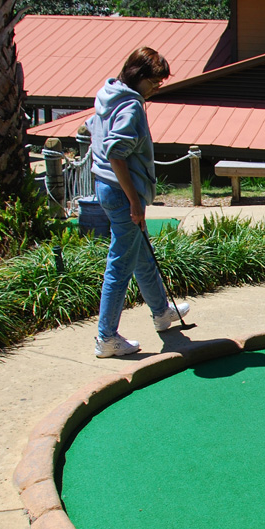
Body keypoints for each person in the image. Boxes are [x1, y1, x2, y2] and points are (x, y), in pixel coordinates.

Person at [89, 46, 189, 358]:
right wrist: (134, 200)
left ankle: (162, 312)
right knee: (120, 264)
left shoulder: (109, 93)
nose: (158, 87)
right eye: (155, 81)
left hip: (106, 186)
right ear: (139, 76)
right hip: (122, 191)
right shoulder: (131, 107)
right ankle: (107, 337)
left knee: (141, 251)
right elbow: (116, 153)